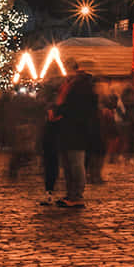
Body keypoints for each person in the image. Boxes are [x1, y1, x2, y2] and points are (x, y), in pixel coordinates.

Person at [55, 61, 98, 208]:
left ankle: (77, 195)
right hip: (69, 128)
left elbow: (77, 108)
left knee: (75, 163)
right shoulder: (71, 85)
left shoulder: (81, 87)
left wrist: (61, 111)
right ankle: (71, 194)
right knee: (69, 164)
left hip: (77, 129)